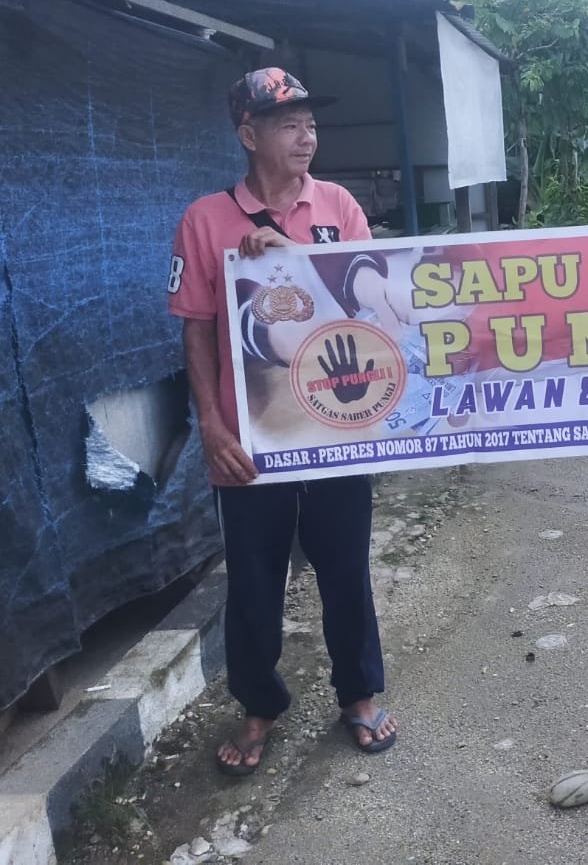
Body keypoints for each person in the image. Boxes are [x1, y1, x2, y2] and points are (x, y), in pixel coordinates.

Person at [168, 68, 398, 775]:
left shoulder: (338, 206)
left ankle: (359, 694)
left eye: (311, 124)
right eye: (290, 124)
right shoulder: (205, 220)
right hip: (251, 440)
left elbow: (373, 307)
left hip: (335, 426)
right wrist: (212, 426)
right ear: (249, 134)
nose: (307, 136)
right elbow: (198, 331)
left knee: (345, 568)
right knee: (254, 581)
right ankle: (259, 705)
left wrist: (297, 260)